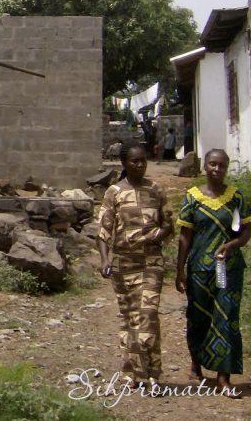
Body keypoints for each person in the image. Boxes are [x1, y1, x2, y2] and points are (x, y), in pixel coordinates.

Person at [175, 149, 251, 397]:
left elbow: (246, 232)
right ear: (205, 167)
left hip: (229, 270)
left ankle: (223, 378)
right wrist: (180, 270)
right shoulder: (191, 198)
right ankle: (197, 366)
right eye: (212, 164)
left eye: (222, 165)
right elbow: (185, 237)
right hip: (199, 269)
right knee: (198, 318)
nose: (217, 169)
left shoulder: (236, 197)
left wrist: (232, 245)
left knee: (227, 319)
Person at [97, 142, 173, 387]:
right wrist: (105, 260)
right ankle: (132, 372)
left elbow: (169, 224)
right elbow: (103, 231)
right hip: (123, 265)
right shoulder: (114, 192)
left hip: (151, 262)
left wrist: (157, 236)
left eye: (143, 160)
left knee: (148, 315)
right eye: (134, 161)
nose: (140, 165)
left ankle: (152, 375)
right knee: (130, 317)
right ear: (124, 163)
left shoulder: (156, 190)